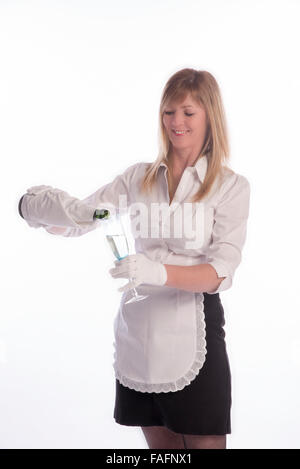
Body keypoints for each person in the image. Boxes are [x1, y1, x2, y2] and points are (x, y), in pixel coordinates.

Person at [18, 68, 250, 450]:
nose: (176, 122)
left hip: (195, 330)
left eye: (188, 113)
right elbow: (86, 218)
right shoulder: (138, 178)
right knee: (162, 452)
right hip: (139, 330)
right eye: (168, 112)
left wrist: (157, 271)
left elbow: (220, 272)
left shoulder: (230, 186)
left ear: (210, 115)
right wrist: (39, 209)